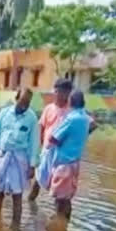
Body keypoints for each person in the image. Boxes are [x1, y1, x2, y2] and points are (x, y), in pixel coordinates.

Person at [0, 88, 40, 225]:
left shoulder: (31, 118)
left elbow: (34, 143)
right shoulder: (4, 113)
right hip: (3, 157)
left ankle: (15, 229)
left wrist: (32, 166)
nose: (24, 106)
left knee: (17, 196)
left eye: (28, 103)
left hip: (19, 160)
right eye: (22, 101)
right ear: (16, 98)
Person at [40, 90, 93, 221]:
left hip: (63, 164)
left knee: (59, 199)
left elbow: (53, 139)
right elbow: (93, 125)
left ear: (71, 102)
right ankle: (65, 226)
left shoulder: (71, 119)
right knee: (67, 198)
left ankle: (59, 227)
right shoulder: (85, 118)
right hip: (75, 163)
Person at [28, 78, 73, 201]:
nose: (59, 95)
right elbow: (41, 127)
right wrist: (38, 148)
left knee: (60, 190)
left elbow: (89, 125)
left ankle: (60, 217)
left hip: (62, 156)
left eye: (64, 92)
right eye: (57, 91)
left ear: (68, 93)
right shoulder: (49, 108)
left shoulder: (72, 111)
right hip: (46, 152)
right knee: (37, 182)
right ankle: (31, 206)